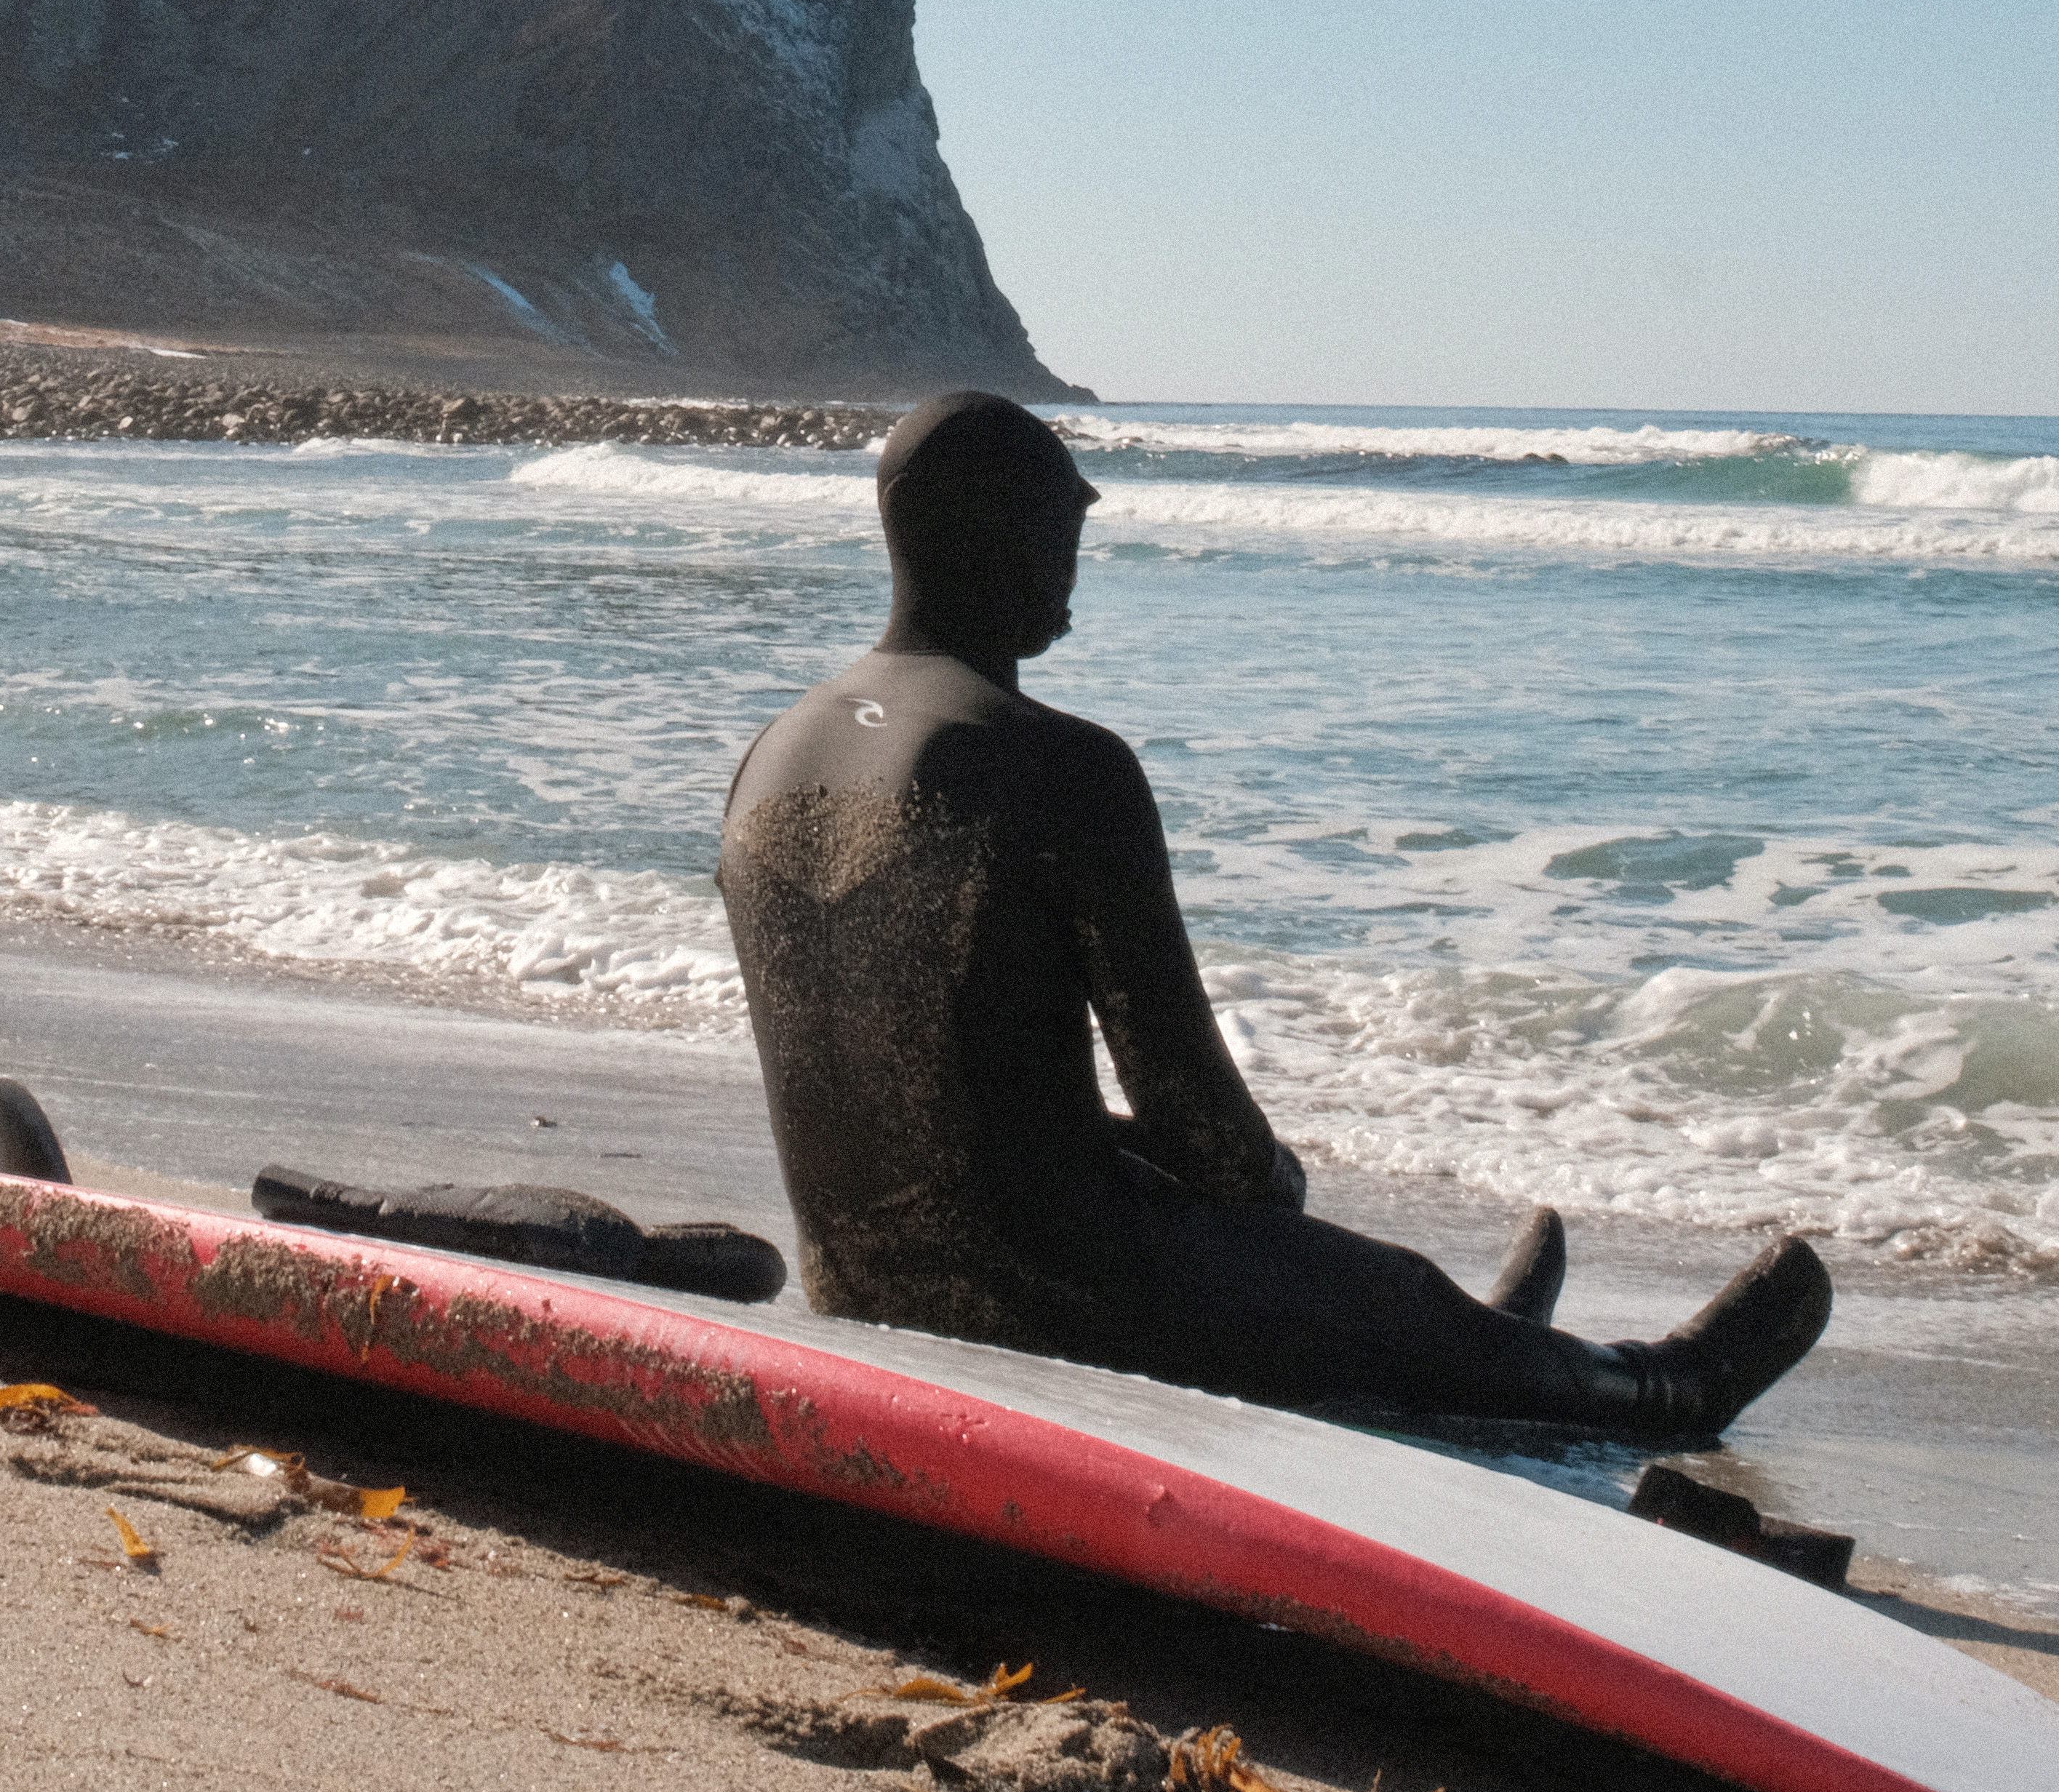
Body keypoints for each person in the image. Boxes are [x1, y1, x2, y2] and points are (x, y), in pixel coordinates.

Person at [716, 391, 1831, 1436]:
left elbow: (891, 1076)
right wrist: (1269, 1205)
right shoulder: (1062, 768)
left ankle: (1471, 1339)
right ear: (992, 527)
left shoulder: (770, 755)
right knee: (1370, 1284)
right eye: (1063, 527)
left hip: (860, 1282)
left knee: (1264, 1250)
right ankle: (1653, 1385)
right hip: (1049, 1302)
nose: (1074, 563)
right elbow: (1211, 1138)